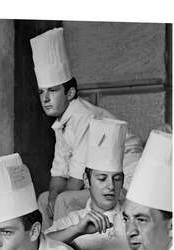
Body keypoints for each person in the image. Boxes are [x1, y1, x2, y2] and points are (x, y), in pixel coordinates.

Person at [30, 28, 143, 230]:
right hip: (95, 183)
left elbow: (76, 177)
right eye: (41, 92)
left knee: (64, 201)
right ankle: (49, 247)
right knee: (44, 199)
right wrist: (52, 197)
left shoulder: (83, 115)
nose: (45, 99)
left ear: (70, 92)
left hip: (125, 184)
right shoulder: (62, 122)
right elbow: (59, 170)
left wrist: (59, 199)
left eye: (53, 91)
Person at [46, 117, 137, 250]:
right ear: (87, 181)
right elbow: (39, 246)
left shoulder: (135, 218)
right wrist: (75, 231)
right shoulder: (74, 220)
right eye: (102, 178)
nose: (110, 187)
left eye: (116, 179)